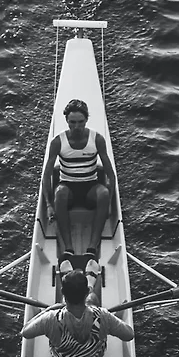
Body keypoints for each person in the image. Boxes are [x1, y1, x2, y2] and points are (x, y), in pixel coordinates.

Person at [21, 268, 134, 357]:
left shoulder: (50, 318)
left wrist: (49, 310)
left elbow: (25, 332)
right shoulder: (102, 315)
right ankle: (91, 281)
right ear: (86, 292)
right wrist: (109, 321)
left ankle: (75, 275)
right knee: (93, 300)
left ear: (63, 293)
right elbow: (129, 334)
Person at [41, 98, 119, 265]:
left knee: (103, 193)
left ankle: (92, 248)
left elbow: (111, 175)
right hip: (67, 187)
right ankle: (68, 248)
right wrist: (48, 205)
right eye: (72, 122)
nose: (76, 126)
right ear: (67, 121)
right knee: (60, 193)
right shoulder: (58, 142)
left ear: (86, 120)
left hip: (90, 187)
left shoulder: (97, 139)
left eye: (80, 122)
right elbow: (46, 176)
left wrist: (110, 205)